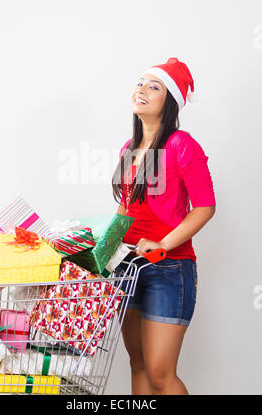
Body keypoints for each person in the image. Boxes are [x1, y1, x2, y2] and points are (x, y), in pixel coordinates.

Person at [112, 57, 216, 395]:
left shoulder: (182, 145)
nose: (141, 88)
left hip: (169, 268)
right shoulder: (129, 149)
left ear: (169, 101)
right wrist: (101, 244)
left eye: (153, 86)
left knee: (160, 373)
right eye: (140, 82)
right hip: (129, 266)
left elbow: (205, 207)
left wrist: (163, 245)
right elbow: (126, 209)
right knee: (138, 363)